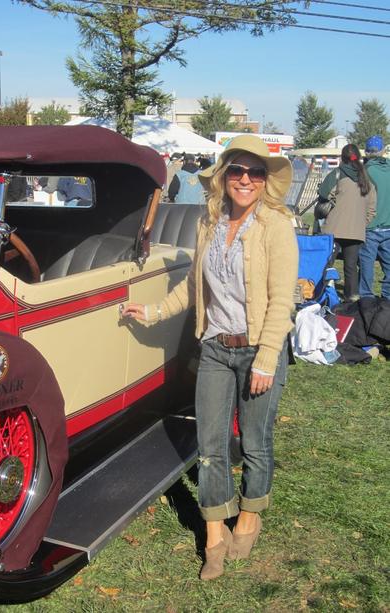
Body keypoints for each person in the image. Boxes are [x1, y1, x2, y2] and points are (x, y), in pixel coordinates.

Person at [122, 135, 298, 580]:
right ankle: (215, 533)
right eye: (237, 170)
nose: (245, 179)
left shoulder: (276, 225)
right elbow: (193, 287)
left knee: (255, 443)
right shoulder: (209, 223)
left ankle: (250, 516)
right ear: (223, 177)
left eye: (255, 172)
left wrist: (267, 359)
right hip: (216, 348)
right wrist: (155, 311)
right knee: (211, 446)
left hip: (259, 348)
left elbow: (282, 302)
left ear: (264, 181)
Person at [319, 144, 376, 302]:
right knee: (351, 268)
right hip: (356, 231)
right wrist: (361, 223)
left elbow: (323, 194)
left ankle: (320, 293)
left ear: (342, 158)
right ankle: (352, 297)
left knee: (326, 264)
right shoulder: (367, 178)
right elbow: (372, 208)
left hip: (333, 229)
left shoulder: (337, 173)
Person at [359, 135, 390, 300]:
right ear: (383, 151)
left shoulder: (366, 171)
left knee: (366, 264)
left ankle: (366, 296)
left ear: (367, 151)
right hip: (389, 225)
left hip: (371, 226)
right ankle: (387, 297)